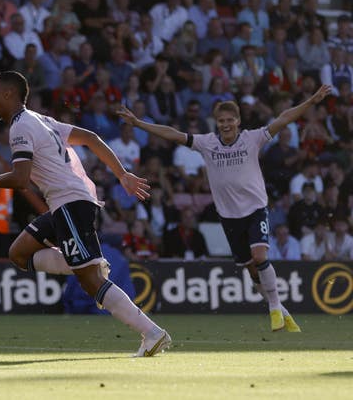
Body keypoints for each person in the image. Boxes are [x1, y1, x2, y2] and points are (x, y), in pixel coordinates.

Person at [0, 71, 171, 357]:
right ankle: (85, 262)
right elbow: (92, 138)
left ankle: (152, 333)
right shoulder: (42, 120)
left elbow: (21, 180)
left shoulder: (21, 127)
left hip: (70, 202)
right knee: (19, 253)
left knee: (89, 281)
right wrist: (121, 175)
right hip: (65, 203)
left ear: (9, 94)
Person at [117, 84, 333, 332]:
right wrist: (139, 123)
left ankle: (274, 307)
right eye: (221, 120)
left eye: (230, 119)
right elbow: (173, 134)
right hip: (229, 217)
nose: (226, 124)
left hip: (255, 209)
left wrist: (312, 100)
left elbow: (284, 118)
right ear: (216, 122)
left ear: (239, 121)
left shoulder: (253, 138)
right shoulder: (207, 143)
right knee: (251, 269)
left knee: (260, 256)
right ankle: (282, 311)